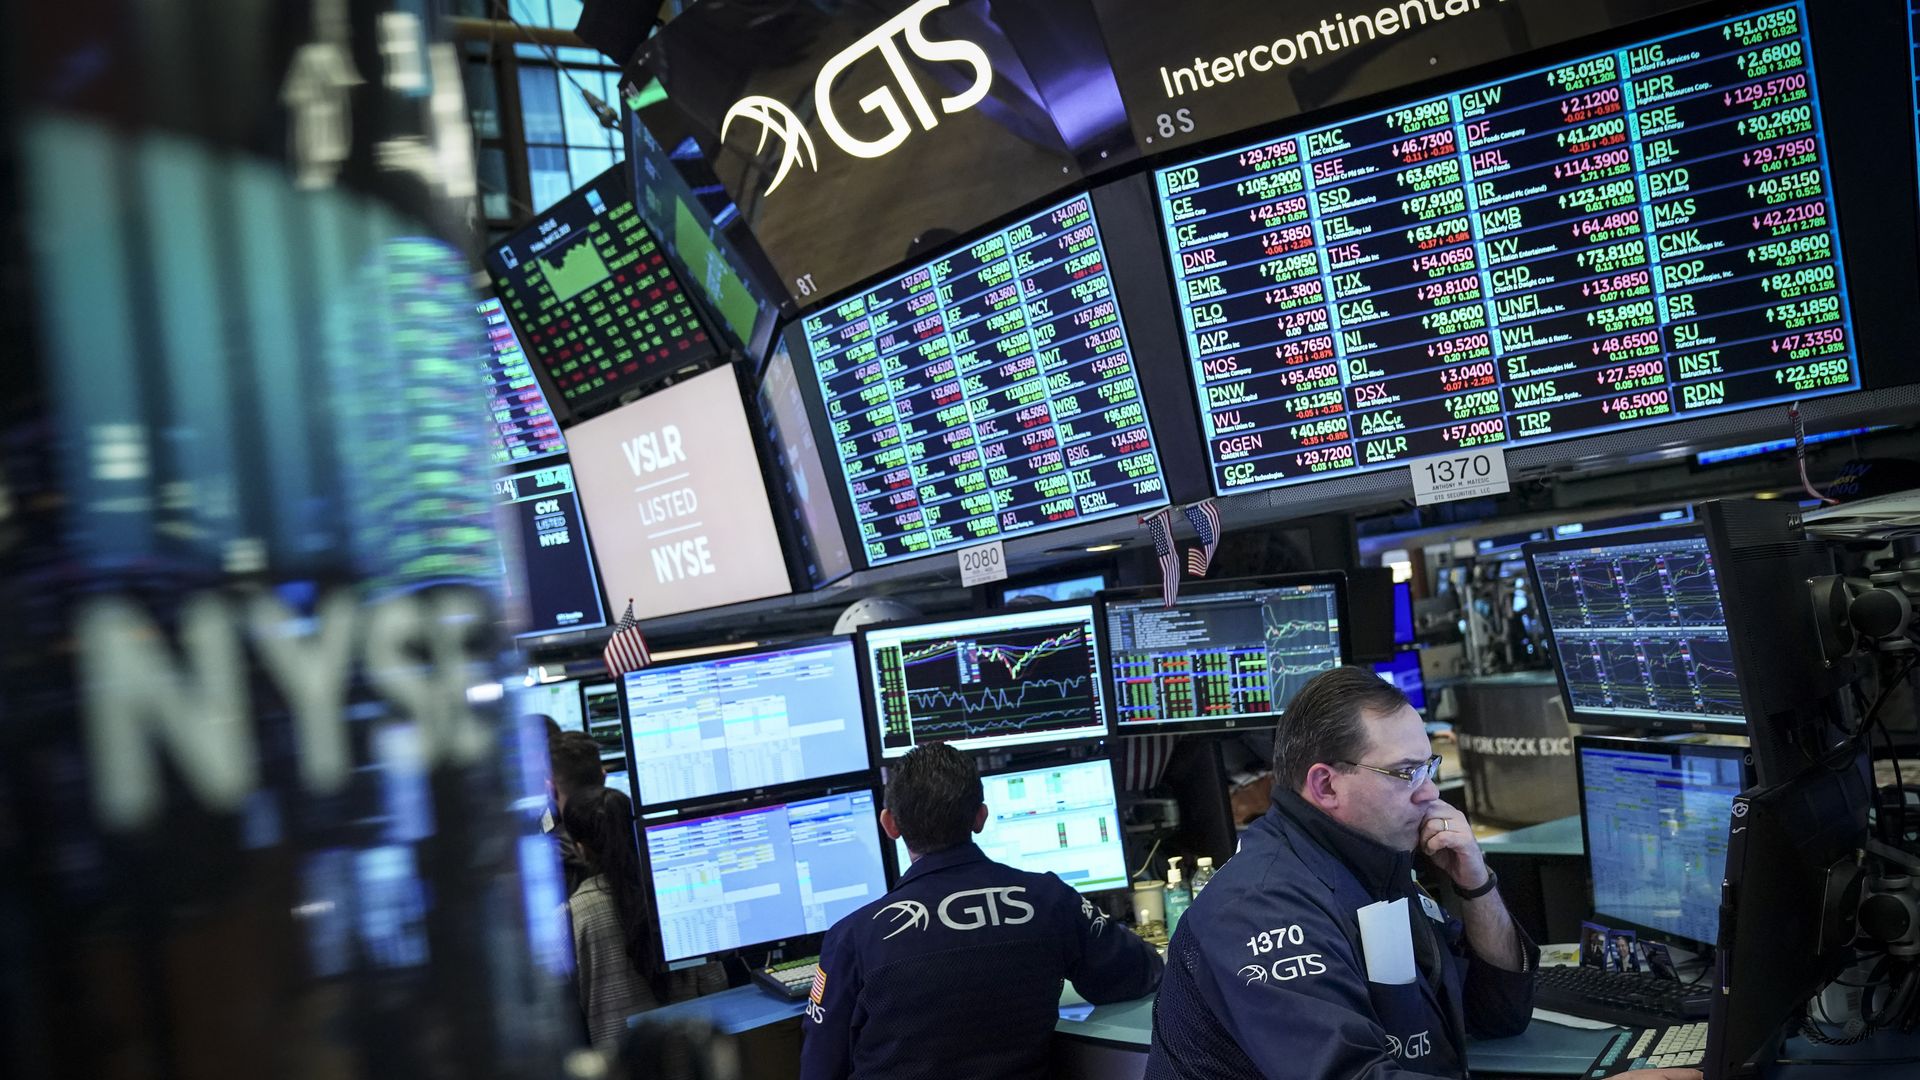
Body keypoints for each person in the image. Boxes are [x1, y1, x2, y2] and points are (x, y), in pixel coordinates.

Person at [1145, 666, 1698, 1080]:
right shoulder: (1258, 907)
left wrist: (1475, 884)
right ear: (1325, 786)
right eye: (1406, 772)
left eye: (1428, 766)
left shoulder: (1377, 865)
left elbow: (1498, 1014)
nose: (1431, 791)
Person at [800, 744, 1164, 1080]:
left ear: (890, 824)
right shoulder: (1049, 900)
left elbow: (821, 1068)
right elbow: (1139, 974)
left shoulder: (854, 937)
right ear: (981, 817)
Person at [562, 786, 661, 1055]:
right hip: (692, 1060)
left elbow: (564, 1019)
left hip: (621, 1065)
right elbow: (714, 981)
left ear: (580, 848)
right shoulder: (668, 895)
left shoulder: (572, 916)